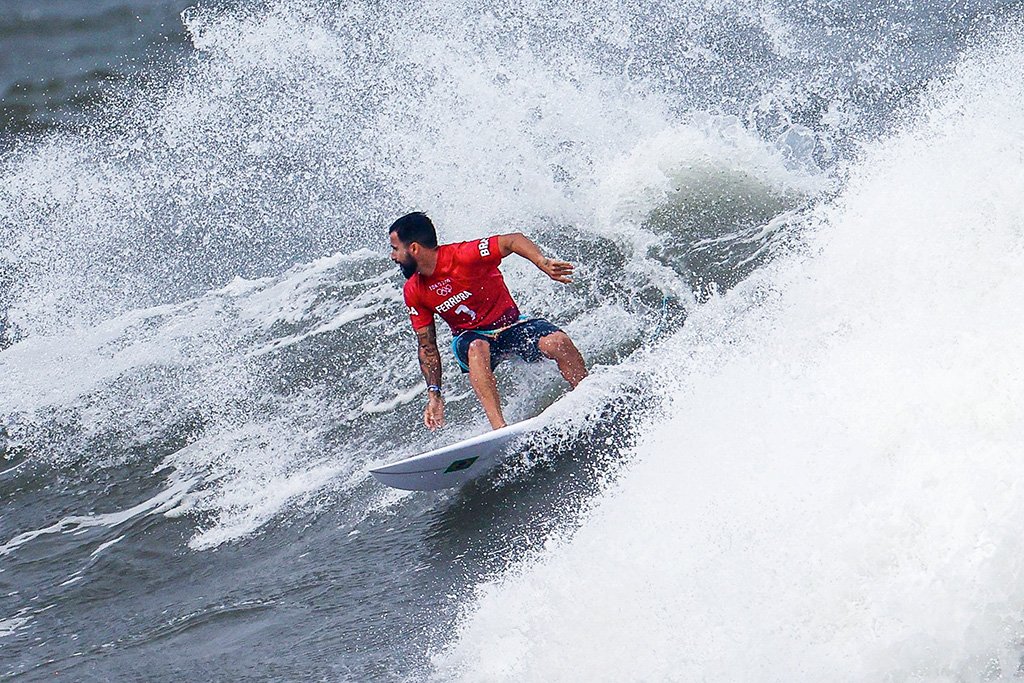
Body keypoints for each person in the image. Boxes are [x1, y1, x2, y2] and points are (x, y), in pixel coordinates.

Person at [389, 211, 588, 430]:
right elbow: (427, 347)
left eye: (395, 249)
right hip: (470, 337)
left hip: (510, 325)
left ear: (414, 248)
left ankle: (588, 398)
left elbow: (513, 240)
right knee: (477, 347)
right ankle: (500, 429)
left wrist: (542, 262)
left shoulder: (464, 255)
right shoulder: (414, 290)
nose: (393, 256)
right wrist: (434, 395)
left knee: (557, 342)